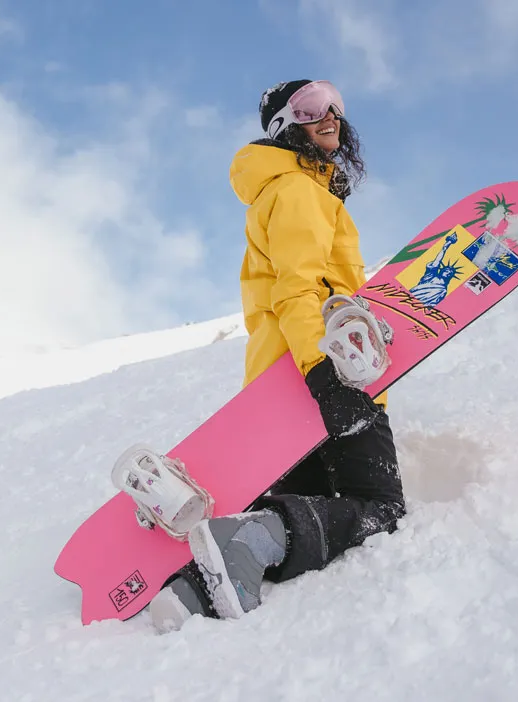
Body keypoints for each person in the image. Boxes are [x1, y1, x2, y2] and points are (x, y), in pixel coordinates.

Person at [148, 79, 406, 632]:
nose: (330, 114)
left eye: (334, 102)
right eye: (311, 108)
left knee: (295, 516)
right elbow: (298, 290)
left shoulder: (282, 190)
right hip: (321, 372)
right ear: (284, 128)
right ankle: (245, 539)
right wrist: (328, 377)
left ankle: (190, 593)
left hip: (278, 390)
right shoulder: (297, 190)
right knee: (378, 507)